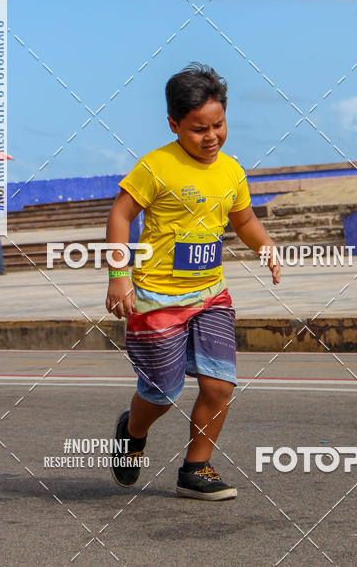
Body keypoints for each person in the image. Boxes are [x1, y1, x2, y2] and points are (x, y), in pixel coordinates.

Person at [105, 63, 280, 500]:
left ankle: (196, 468)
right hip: (157, 298)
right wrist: (119, 276)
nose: (211, 136)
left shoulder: (231, 170)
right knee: (162, 392)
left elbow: (244, 220)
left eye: (218, 125)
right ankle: (132, 431)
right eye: (198, 129)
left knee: (219, 384)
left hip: (211, 295)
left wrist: (266, 247)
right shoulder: (156, 166)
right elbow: (121, 214)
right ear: (174, 125)